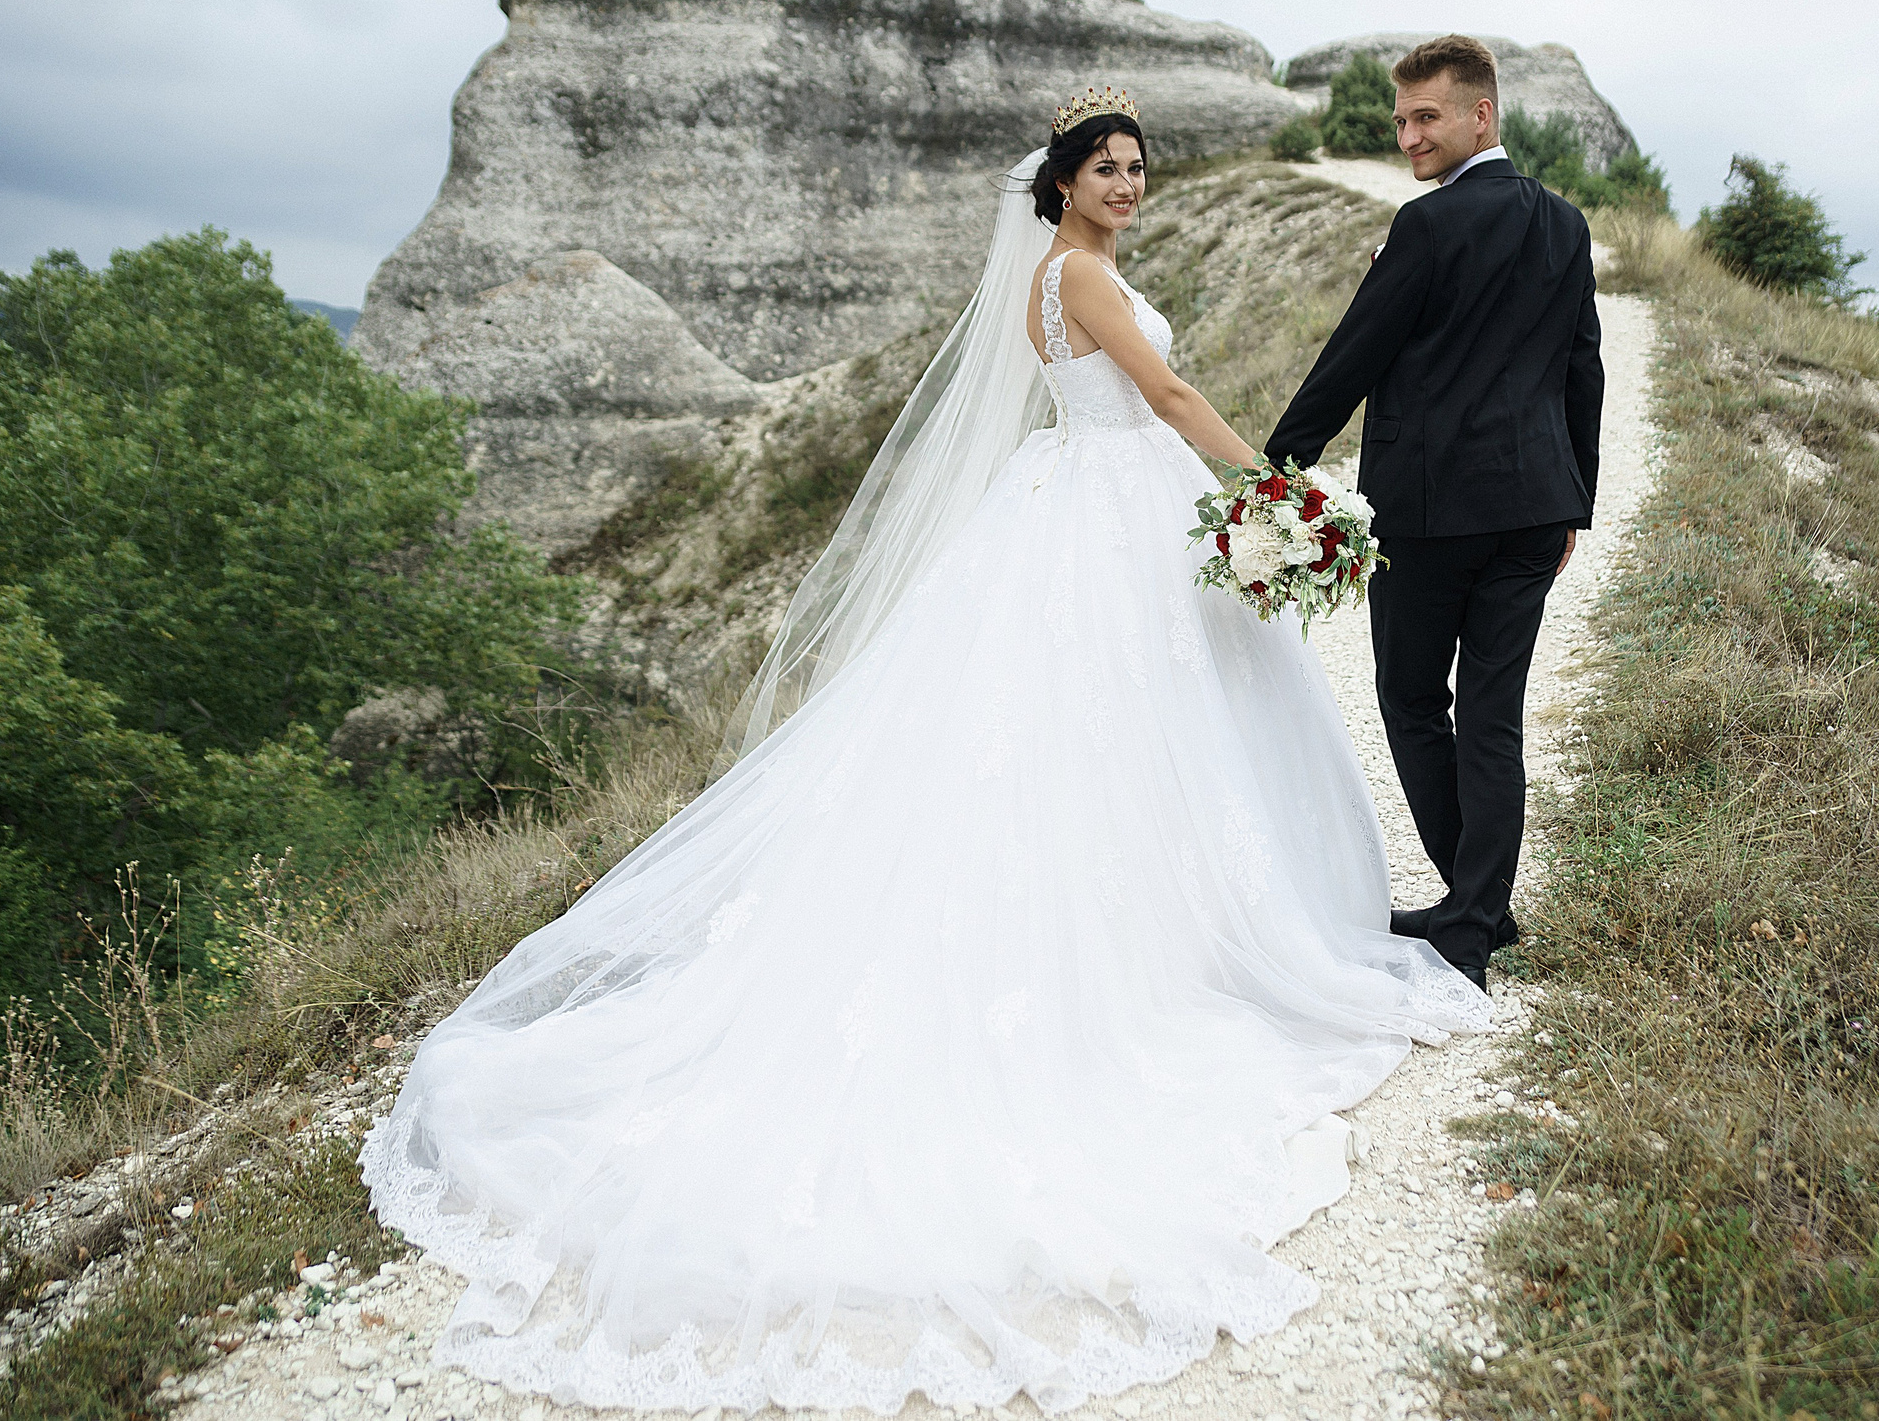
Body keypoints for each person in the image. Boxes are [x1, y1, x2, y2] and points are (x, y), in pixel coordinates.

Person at [361, 87, 1490, 1415]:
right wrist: (1278, 489)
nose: (1127, 185)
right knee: (1120, 729)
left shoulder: (1070, 272)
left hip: (1088, 502)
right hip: (1114, 505)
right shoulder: (1079, 274)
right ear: (1061, 184)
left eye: (1138, 167)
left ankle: (1166, 927)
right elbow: (1170, 392)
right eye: (1105, 168)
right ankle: (1159, 953)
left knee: (1123, 741)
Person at [1265, 35, 1606, 992]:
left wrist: (1275, 471)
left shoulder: (1423, 227)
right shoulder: (1565, 224)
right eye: (1402, 119)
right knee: (1491, 715)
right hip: (1535, 509)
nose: (1409, 135)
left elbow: (1352, 359)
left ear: (1480, 116)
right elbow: (1584, 364)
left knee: (1415, 700)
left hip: (1428, 517)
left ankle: (1470, 912)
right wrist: (1574, 492)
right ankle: (1476, 913)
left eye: (1427, 117)